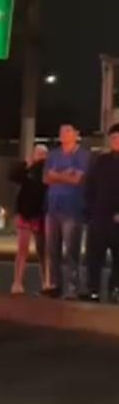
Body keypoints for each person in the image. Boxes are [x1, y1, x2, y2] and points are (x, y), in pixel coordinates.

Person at [41, 123, 91, 298]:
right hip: (53, 208)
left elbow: (77, 179)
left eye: (68, 130)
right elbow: (46, 178)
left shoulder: (83, 155)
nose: (63, 133)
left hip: (73, 208)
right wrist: (64, 175)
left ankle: (72, 287)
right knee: (52, 249)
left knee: (71, 250)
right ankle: (55, 284)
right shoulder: (53, 155)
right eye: (61, 130)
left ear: (76, 134)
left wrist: (57, 175)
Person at [84, 124, 119, 302]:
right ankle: (93, 290)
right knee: (94, 256)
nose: (116, 141)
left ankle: (115, 289)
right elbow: (90, 187)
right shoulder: (101, 161)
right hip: (99, 217)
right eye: (113, 138)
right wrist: (90, 211)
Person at [10, 143, 49, 295]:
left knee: (43, 250)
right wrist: (26, 164)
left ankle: (46, 282)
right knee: (22, 249)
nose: (40, 156)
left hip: (40, 214)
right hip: (25, 213)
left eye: (43, 154)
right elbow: (13, 176)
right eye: (38, 153)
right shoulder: (28, 170)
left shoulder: (47, 171)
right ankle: (17, 282)